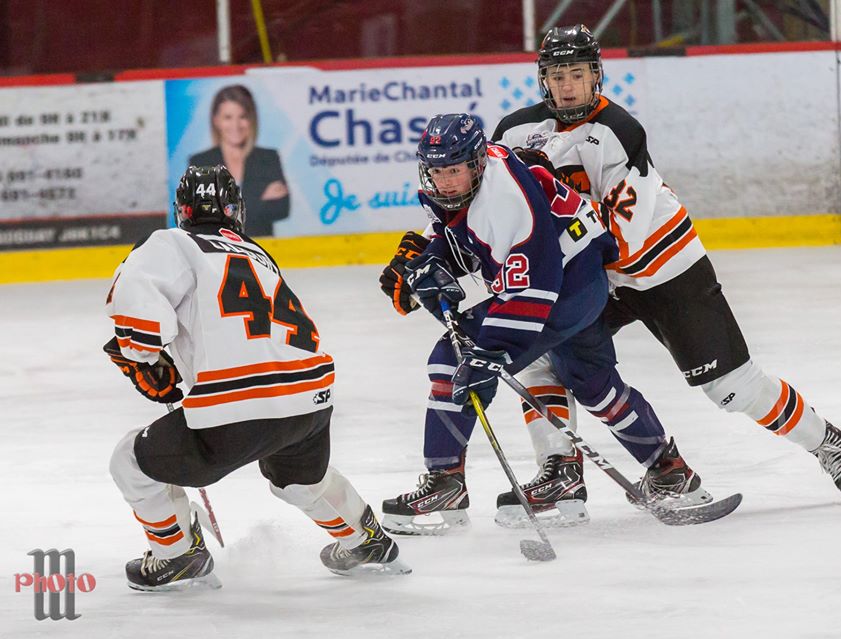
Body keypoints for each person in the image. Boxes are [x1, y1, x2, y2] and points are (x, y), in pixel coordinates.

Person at [380, 25, 841, 525]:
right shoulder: (513, 130)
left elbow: (619, 228)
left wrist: (547, 237)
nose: (567, 86)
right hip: (588, 272)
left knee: (731, 387)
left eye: (576, 74)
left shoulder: (619, 129)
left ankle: (829, 442)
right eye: (556, 75)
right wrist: (425, 244)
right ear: (542, 80)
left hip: (660, 268)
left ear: (595, 75)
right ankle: (561, 472)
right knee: (542, 363)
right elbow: (479, 196)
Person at [380, 113, 716, 535]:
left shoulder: (504, 197)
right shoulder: (469, 186)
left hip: (564, 288)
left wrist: (491, 349)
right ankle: (670, 471)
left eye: (454, 170)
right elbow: (463, 237)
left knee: (454, 360)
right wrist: (425, 262)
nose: (445, 181)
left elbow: (533, 287)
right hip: (579, 273)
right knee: (592, 380)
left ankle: (445, 482)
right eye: (437, 171)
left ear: (476, 163)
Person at [106, 165, 409, 591]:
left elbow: (137, 323)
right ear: (237, 211)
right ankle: (364, 539)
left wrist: (140, 356)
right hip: (310, 399)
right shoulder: (257, 254)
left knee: (129, 461)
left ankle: (177, 553)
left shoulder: (171, 241)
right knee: (299, 480)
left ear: (182, 211)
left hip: (235, 411)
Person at [189, 85, 290, 236]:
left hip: (259, 248)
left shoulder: (268, 158)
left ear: (251, 119)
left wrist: (226, 207)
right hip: (217, 249)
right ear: (216, 121)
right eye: (228, 117)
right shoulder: (201, 162)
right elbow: (203, 215)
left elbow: (282, 209)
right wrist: (258, 201)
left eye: (242, 117)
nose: (235, 125)